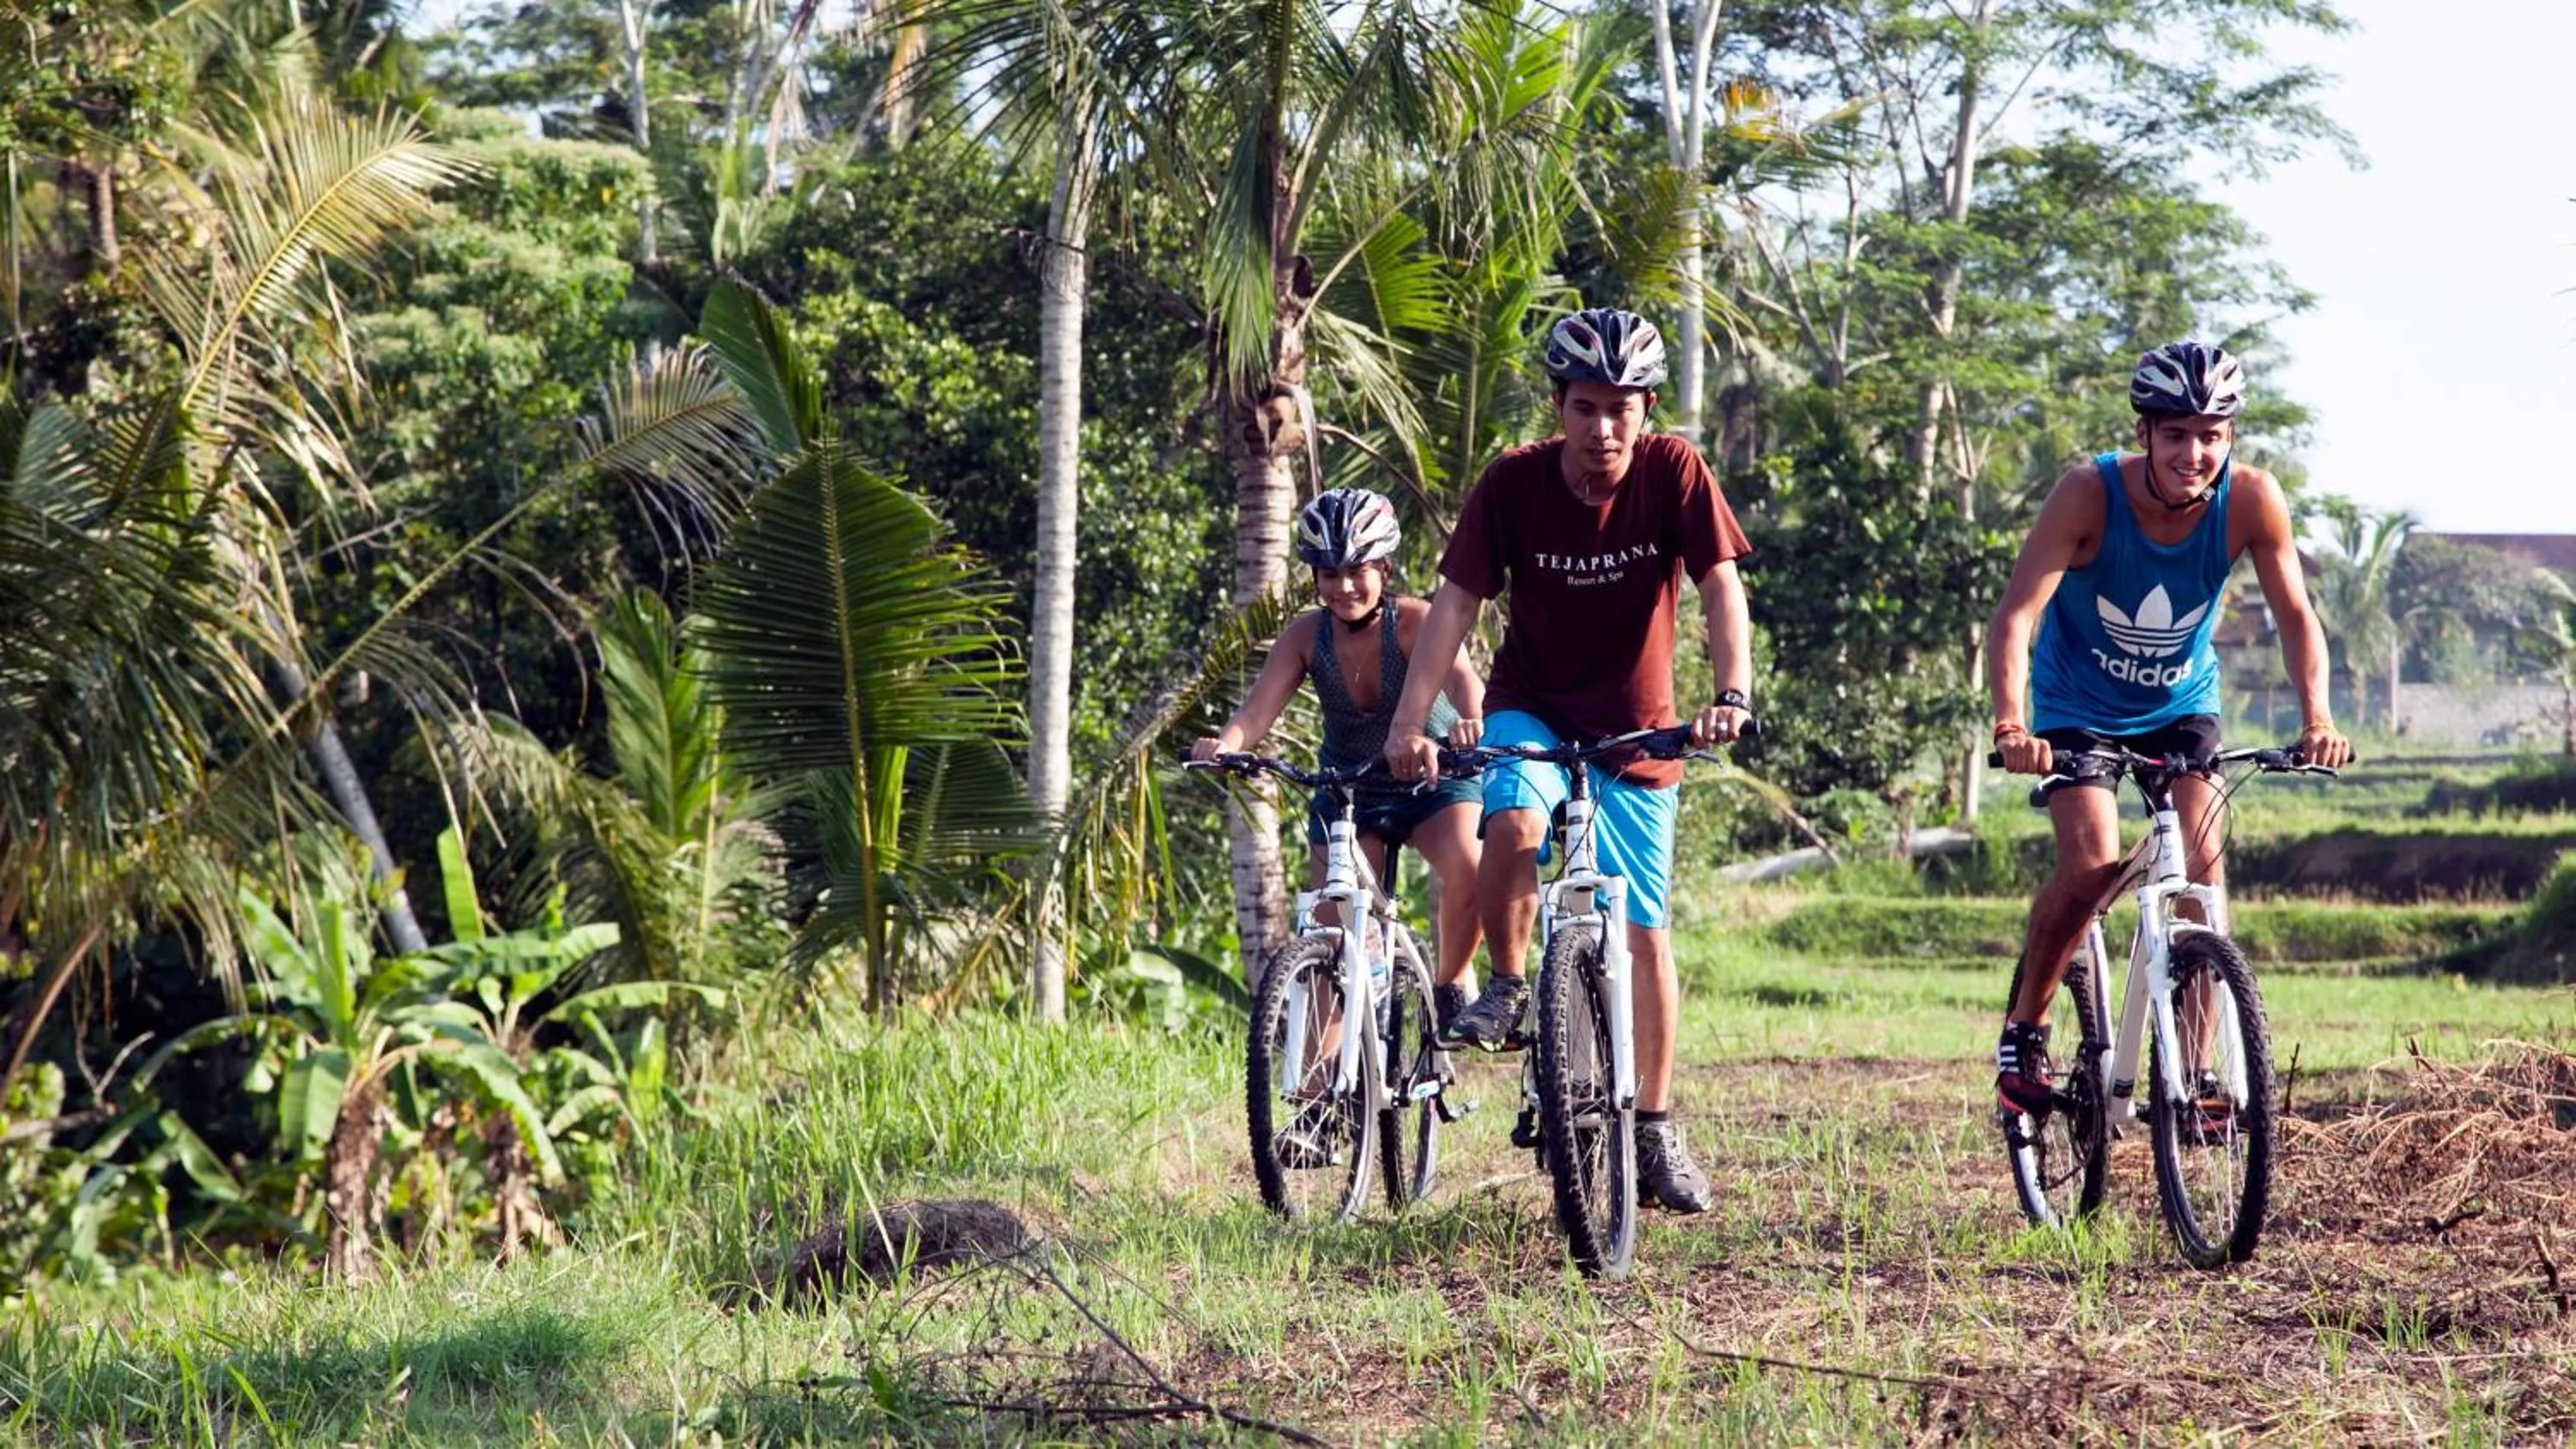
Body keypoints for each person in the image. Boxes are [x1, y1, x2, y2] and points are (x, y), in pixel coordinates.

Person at [1383, 306, 1753, 1215]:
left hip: (1638, 729)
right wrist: (1407, 722)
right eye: (1586, 407)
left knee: (1645, 936)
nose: (1604, 429)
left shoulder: (1674, 470)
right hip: (1532, 709)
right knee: (1509, 820)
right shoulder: (1511, 485)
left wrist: (1733, 692)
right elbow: (1454, 609)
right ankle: (1511, 983)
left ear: (1647, 408)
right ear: (1559, 407)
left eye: (1622, 408)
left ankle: (1656, 1127)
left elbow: (1719, 587)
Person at [1986, 340, 2352, 1117]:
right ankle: (2025, 1028)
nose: (2195, 453)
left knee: (2203, 870)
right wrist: (2012, 724)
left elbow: (2295, 616)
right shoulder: (2088, 495)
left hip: (2181, 704)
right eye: (2177, 434)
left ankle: (2196, 1075)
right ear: (2146, 433)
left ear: (2231, 440)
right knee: (2091, 864)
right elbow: (2017, 617)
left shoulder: (2251, 500)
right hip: (2073, 707)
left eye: (2212, 435)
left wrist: (2317, 717)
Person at [1194, 488, 1487, 1025]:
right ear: (1314, 578)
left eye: (1357, 570)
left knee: (1469, 869)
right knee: (1332, 939)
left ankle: (1450, 984)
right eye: (1330, 574)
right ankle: (1316, 1096)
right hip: (1350, 790)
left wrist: (1471, 726)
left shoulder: (1418, 621)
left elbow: (1465, 681)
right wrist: (1226, 746)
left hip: (1435, 781)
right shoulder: (1305, 636)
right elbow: (1256, 713)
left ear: (1384, 568)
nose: (1344, 585)